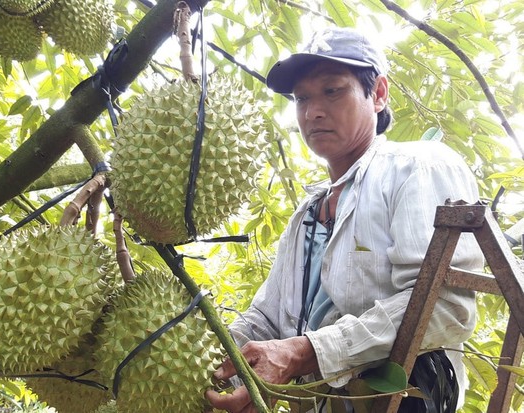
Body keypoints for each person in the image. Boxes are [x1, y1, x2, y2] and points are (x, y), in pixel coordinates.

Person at [205, 27, 483, 413]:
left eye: (333, 91)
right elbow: (267, 319)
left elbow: (444, 306)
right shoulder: (307, 212)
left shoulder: (417, 165)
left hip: (404, 401)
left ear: (379, 94)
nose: (312, 111)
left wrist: (307, 351)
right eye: (302, 98)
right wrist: (209, 357)